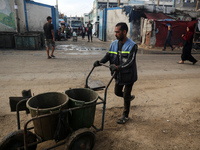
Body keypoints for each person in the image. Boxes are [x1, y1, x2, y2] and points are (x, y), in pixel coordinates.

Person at [93, 22, 138, 124]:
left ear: (124, 32)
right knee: (117, 92)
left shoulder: (132, 46)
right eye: (115, 32)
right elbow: (108, 56)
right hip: (118, 75)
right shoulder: (113, 44)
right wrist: (100, 62)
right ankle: (129, 97)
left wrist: (118, 67)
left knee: (125, 95)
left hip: (129, 75)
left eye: (117, 32)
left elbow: (130, 62)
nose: (115, 34)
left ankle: (125, 116)